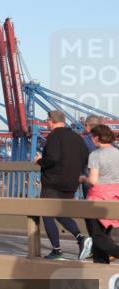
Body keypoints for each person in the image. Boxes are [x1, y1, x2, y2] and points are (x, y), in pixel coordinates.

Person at [37, 110, 90, 260]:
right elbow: (85, 158)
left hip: (53, 182)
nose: (46, 123)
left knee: (47, 214)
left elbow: (52, 158)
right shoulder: (77, 138)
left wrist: (40, 161)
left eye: (47, 120)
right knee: (60, 213)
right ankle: (81, 238)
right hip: (71, 182)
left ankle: (57, 250)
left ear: (52, 120)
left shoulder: (54, 136)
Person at [79, 124, 119, 263]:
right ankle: (101, 269)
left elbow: (94, 180)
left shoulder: (95, 155)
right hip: (115, 197)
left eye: (92, 137)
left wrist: (83, 178)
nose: (91, 140)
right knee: (103, 237)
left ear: (97, 137)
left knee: (97, 237)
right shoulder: (117, 152)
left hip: (98, 197)